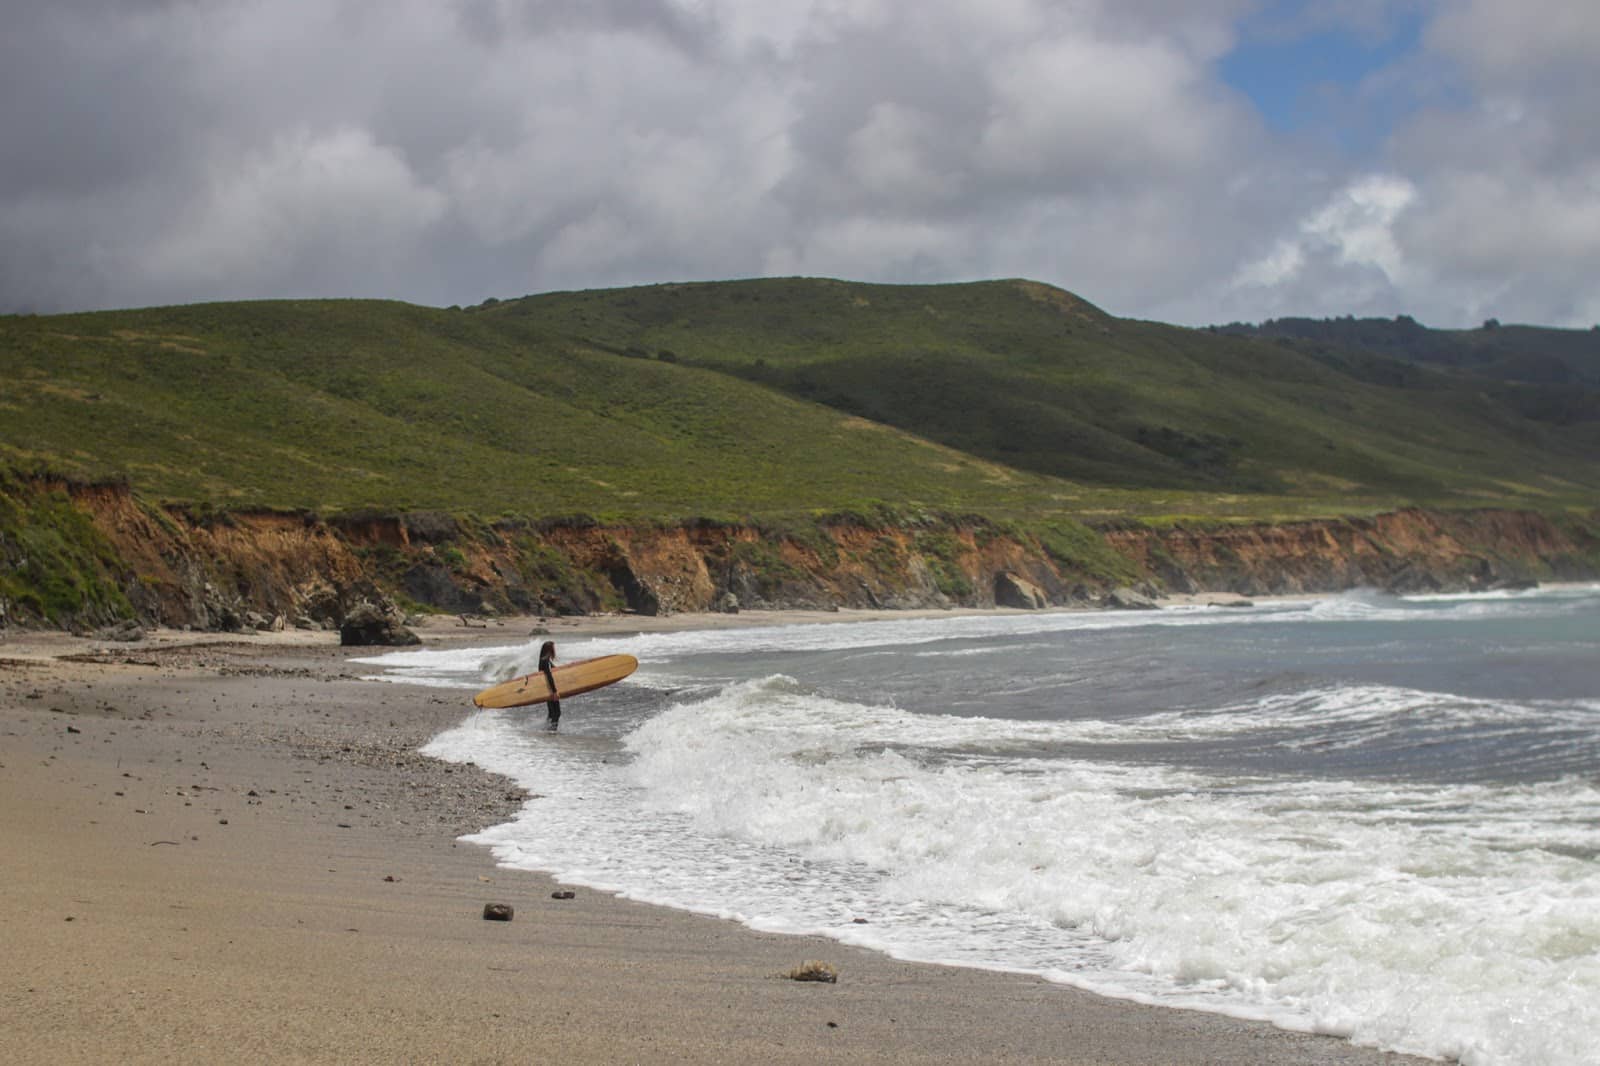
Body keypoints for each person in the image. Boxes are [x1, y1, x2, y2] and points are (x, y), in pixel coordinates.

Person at [537, 640, 561, 731]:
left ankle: (547, 731)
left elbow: (554, 670)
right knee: (557, 713)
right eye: (554, 648)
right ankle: (552, 731)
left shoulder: (543, 660)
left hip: (547, 689)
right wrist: (554, 691)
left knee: (551, 713)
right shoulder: (546, 660)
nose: (555, 650)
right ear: (550, 649)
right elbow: (549, 676)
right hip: (550, 690)